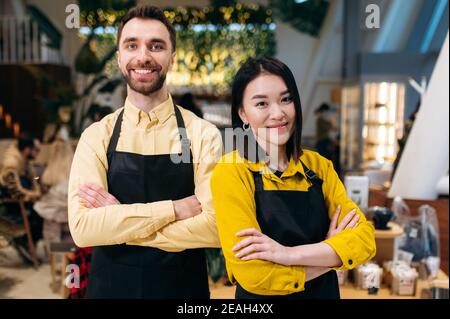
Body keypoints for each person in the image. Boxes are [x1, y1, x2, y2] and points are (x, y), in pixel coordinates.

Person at [68, 5, 223, 299]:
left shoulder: (203, 135)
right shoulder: (96, 136)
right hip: (110, 289)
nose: (143, 56)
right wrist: (174, 210)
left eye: (156, 46)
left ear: (172, 58)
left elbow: (215, 228)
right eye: (132, 45)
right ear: (119, 58)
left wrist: (118, 225)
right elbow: (84, 229)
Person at [211, 57, 376, 299]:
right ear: (242, 114)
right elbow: (254, 275)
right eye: (262, 104)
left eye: (286, 99)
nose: (278, 113)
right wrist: (328, 255)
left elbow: (364, 240)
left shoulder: (319, 167)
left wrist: (287, 255)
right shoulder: (232, 172)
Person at [0, 132, 44, 264]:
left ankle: (26, 244)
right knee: (39, 216)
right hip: (10, 206)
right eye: (35, 150)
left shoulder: (24, 160)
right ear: (27, 150)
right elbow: (15, 191)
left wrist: (35, 193)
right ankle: (23, 243)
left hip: (20, 202)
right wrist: (34, 195)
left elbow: (33, 182)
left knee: (41, 214)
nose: (36, 154)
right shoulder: (12, 163)